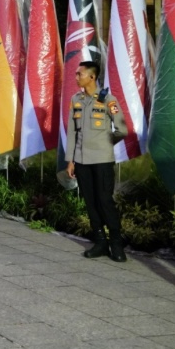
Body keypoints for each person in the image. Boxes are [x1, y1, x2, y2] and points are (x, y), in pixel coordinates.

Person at [66, 60, 128, 262]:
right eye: (76, 74)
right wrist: (71, 160)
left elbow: (122, 129)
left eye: (79, 74)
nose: (76, 77)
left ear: (92, 77)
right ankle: (100, 242)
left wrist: (105, 143)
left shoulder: (108, 100)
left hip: (102, 160)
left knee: (104, 201)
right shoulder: (76, 99)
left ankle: (116, 244)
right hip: (82, 160)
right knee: (90, 202)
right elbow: (72, 133)